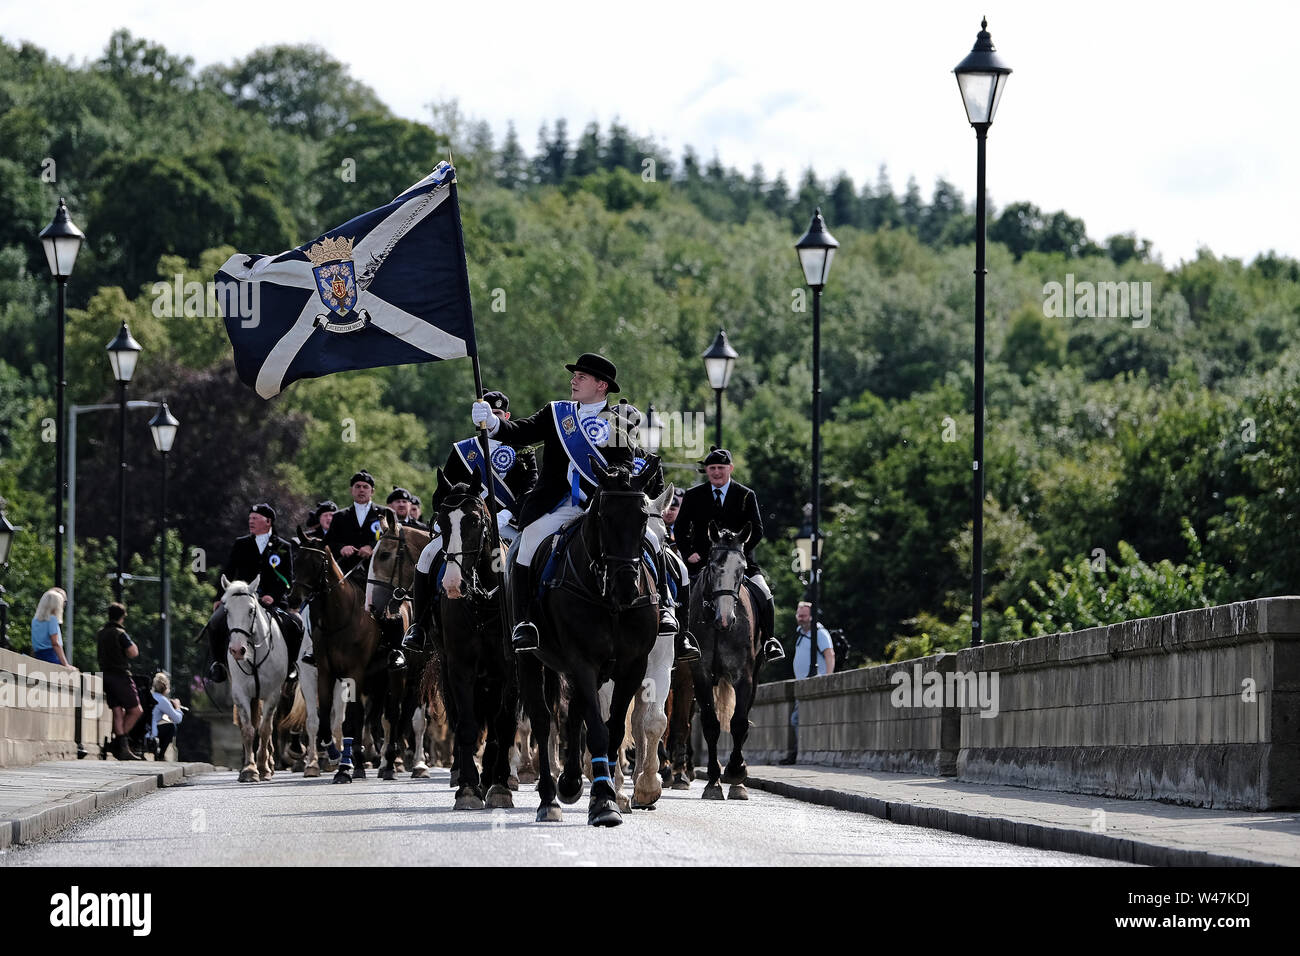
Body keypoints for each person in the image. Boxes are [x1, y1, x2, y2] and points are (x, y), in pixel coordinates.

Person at [470, 354, 697, 660]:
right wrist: (494, 423)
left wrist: (610, 486)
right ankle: (524, 622)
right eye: (574, 376)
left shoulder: (616, 420)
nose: (573, 381)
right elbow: (521, 433)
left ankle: (666, 608)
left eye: (582, 377)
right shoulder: (556, 413)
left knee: (654, 539)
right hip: (559, 504)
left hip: (602, 506)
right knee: (527, 545)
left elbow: (624, 464)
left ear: (601, 385)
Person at [404, 390, 538, 654]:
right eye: (486, 415)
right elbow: (443, 491)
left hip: (508, 524)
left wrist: (508, 514)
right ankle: (418, 626)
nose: (490, 420)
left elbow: (531, 489)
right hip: (465, 529)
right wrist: (446, 518)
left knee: (532, 558)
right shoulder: (463, 451)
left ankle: (529, 621)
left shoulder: (522, 451)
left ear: (505, 417)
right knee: (427, 555)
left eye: (497, 415)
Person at [674, 448, 784, 663]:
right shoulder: (694, 495)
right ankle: (682, 639)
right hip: (702, 563)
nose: (716, 472)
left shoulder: (745, 495)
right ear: (706, 470)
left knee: (765, 594)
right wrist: (688, 553)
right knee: (677, 592)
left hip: (740, 563)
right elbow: (680, 528)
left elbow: (758, 529)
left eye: (721, 468)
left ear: (730, 469)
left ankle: (770, 641)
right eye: (712, 468)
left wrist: (739, 551)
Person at [205, 503, 305, 683]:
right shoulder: (241, 543)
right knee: (215, 622)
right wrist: (219, 597)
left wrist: (273, 596)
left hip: (271, 601)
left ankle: (290, 665)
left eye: (255, 518)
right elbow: (228, 570)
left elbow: (288, 579)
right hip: (242, 601)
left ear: (268, 522)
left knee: (296, 624)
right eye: (250, 518)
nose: (250, 521)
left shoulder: (283, 546)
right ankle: (218, 664)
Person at [96, 602, 144, 761]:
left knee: (117, 711)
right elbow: (133, 652)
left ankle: (121, 747)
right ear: (122, 617)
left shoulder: (101, 633)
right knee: (136, 710)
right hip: (120, 676)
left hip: (105, 676)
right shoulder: (120, 633)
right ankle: (120, 745)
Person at [323, 470, 393, 575]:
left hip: (378, 571)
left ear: (372, 491)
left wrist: (372, 547)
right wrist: (341, 548)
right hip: (345, 571)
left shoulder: (385, 513)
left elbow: (393, 539)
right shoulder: (339, 516)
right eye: (358, 486)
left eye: (365, 487)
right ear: (351, 490)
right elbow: (328, 542)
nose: (361, 490)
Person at [146, 671, 185, 760]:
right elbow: (178, 719)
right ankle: (161, 755)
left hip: (143, 731)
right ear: (166, 687)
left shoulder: (149, 696)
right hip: (152, 734)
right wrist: (178, 707)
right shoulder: (162, 700)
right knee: (171, 727)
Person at [792, 601, 835, 679]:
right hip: (802, 684)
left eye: (804, 616)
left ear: (812, 616)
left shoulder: (820, 633)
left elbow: (829, 655)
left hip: (818, 683)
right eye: (799, 615)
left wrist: (828, 678)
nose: (801, 618)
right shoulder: (800, 633)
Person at [30, 587, 70, 667]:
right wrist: (66, 664)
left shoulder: (35, 620)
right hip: (51, 656)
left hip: (38, 655)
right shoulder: (52, 619)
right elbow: (55, 643)